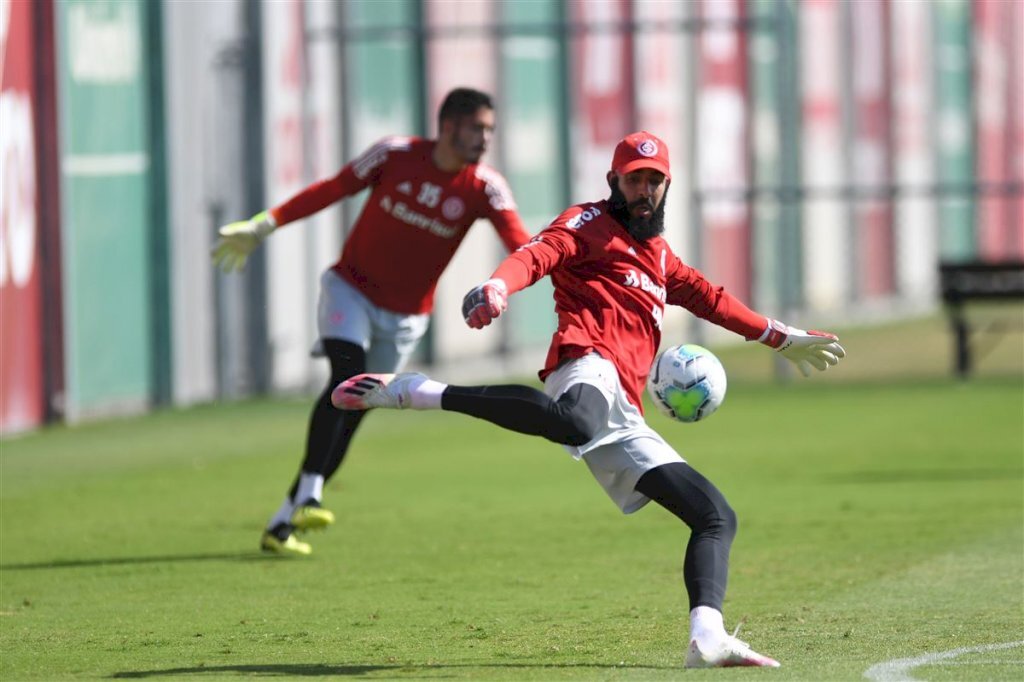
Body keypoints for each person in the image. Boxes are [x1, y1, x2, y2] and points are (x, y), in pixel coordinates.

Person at [332, 131, 846, 668]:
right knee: (576, 420)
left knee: (715, 516)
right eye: (634, 178)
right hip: (586, 364)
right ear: (614, 182)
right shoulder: (587, 223)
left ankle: (707, 637)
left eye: (654, 180)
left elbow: (712, 299)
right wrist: (499, 286)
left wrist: (780, 337)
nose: (644, 189)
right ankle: (419, 392)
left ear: (665, 186)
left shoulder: (661, 258)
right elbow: (538, 254)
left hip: (625, 408)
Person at [211, 88, 532, 557]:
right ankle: (313, 490)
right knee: (347, 378)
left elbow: (523, 246)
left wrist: (562, 277)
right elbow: (332, 189)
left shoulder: (485, 187)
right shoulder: (395, 155)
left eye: (490, 129)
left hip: (406, 318)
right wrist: (264, 224)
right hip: (351, 290)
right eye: (476, 128)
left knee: (356, 406)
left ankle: (283, 521)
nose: (485, 138)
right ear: (447, 127)